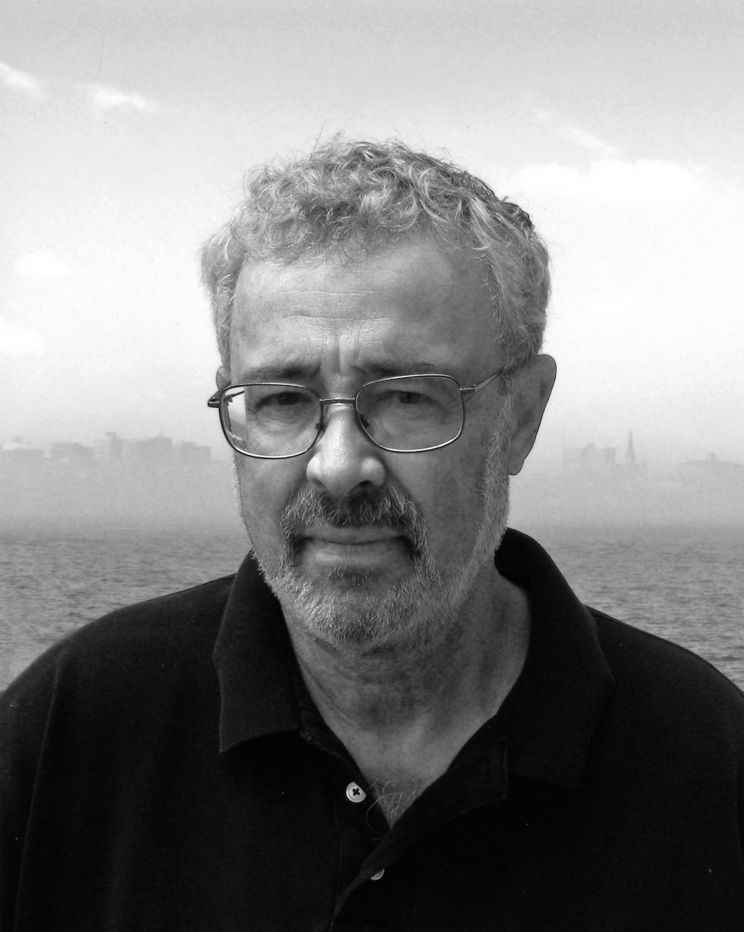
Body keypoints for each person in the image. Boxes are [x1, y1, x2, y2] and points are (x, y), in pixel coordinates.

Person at [2, 138, 743, 932]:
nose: (338, 466)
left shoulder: (707, 765)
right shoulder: (70, 731)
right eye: (283, 400)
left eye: (406, 398)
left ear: (522, 417)